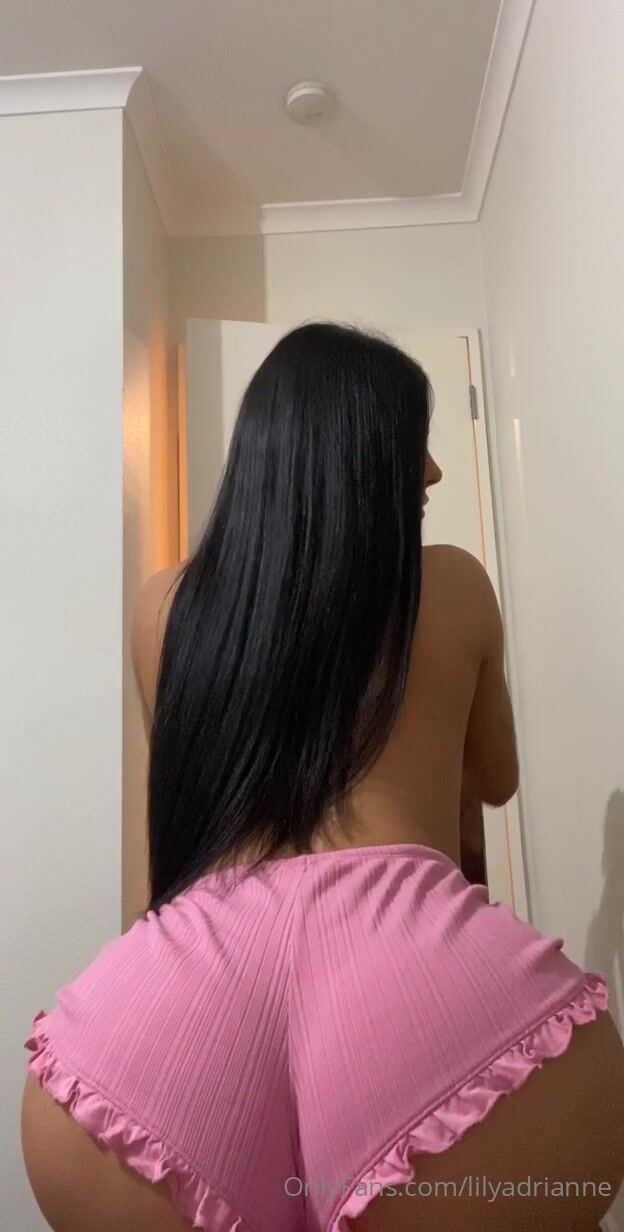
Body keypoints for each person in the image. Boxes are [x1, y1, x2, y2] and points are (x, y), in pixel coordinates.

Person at [22, 324, 624, 1232]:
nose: (432, 471)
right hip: (422, 986)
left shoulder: (164, 607)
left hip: (169, 1010)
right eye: (413, 440)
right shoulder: (452, 582)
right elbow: (495, 778)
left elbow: (183, 802)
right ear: (360, 455)